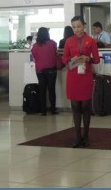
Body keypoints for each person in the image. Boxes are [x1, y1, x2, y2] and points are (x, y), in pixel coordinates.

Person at [62, 16, 100, 148]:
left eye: (78, 26)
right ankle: (77, 137)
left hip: (86, 76)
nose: (76, 29)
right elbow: (64, 59)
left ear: (84, 25)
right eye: (74, 27)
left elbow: (96, 59)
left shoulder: (91, 41)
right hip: (73, 76)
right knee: (75, 107)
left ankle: (86, 136)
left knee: (85, 107)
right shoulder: (69, 41)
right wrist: (72, 60)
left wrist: (87, 59)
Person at [30, 27, 60, 116]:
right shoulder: (53, 43)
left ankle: (43, 111)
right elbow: (56, 53)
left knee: (42, 91)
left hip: (40, 71)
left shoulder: (35, 46)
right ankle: (53, 109)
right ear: (47, 34)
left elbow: (34, 56)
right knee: (51, 90)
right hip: (51, 70)